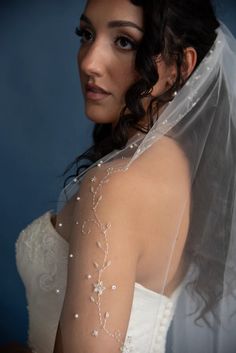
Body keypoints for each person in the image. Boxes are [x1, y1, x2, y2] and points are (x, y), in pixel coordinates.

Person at [15, 0, 236, 352]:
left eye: (124, 42)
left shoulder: (116, 186)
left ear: (180, 66)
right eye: (86, 34)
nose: (89, 62)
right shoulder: (177, 165)